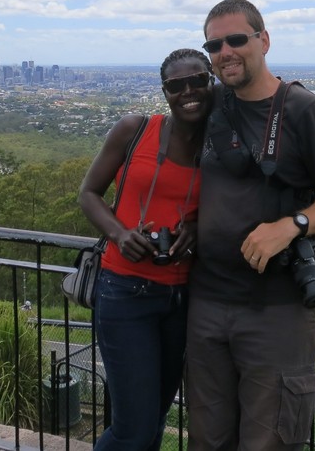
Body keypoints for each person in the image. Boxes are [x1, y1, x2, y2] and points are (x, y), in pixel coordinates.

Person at [186, 0, 315, 450]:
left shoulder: (302, 109)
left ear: (263, 40)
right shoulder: (213, 104)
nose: (225, 52)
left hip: (277, 310)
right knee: (207, 439)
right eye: (214, 45)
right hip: (207, 303)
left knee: (270, 441)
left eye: (236, 39)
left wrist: (292, 224)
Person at [78, 48, 214, 450]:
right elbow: (88, 193)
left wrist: (196, 229)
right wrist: (120, 234)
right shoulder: (135, 130)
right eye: (176, 85)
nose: (188, 91)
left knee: (154, 422)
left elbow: (229, 209)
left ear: (211, 82)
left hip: (182, 297)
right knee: (132, 430)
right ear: (164, 91)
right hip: (124, 291)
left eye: (197, 81)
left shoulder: (220, 146)